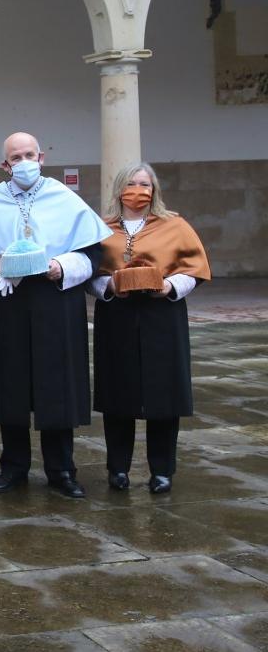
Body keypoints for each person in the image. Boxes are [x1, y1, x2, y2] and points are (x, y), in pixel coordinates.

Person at [0, 132, 111, 498]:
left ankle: (61, 470)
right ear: (5, 164)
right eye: (16, 156)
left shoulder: (63, 196)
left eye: (29, 154)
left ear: (42, 157)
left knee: (56, 384)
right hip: (6, 303)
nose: (23, 161)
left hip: (54, 302)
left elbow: (92, 254)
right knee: (9, 384)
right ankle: (13, 467)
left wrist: (61, 266)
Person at [90, 162, 210, 494]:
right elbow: (89, 271)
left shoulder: (175, 225)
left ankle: (162, 470)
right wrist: (110, 285)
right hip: (118, 315)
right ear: (119, 189)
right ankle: (118, 469)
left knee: (164, 392)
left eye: (145, 184)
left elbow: (194, 268)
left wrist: (170, 287)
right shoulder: (101, 228)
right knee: (118, 391)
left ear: (154, 189)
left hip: (162, 316)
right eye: (131, 183)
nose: (139, 190)